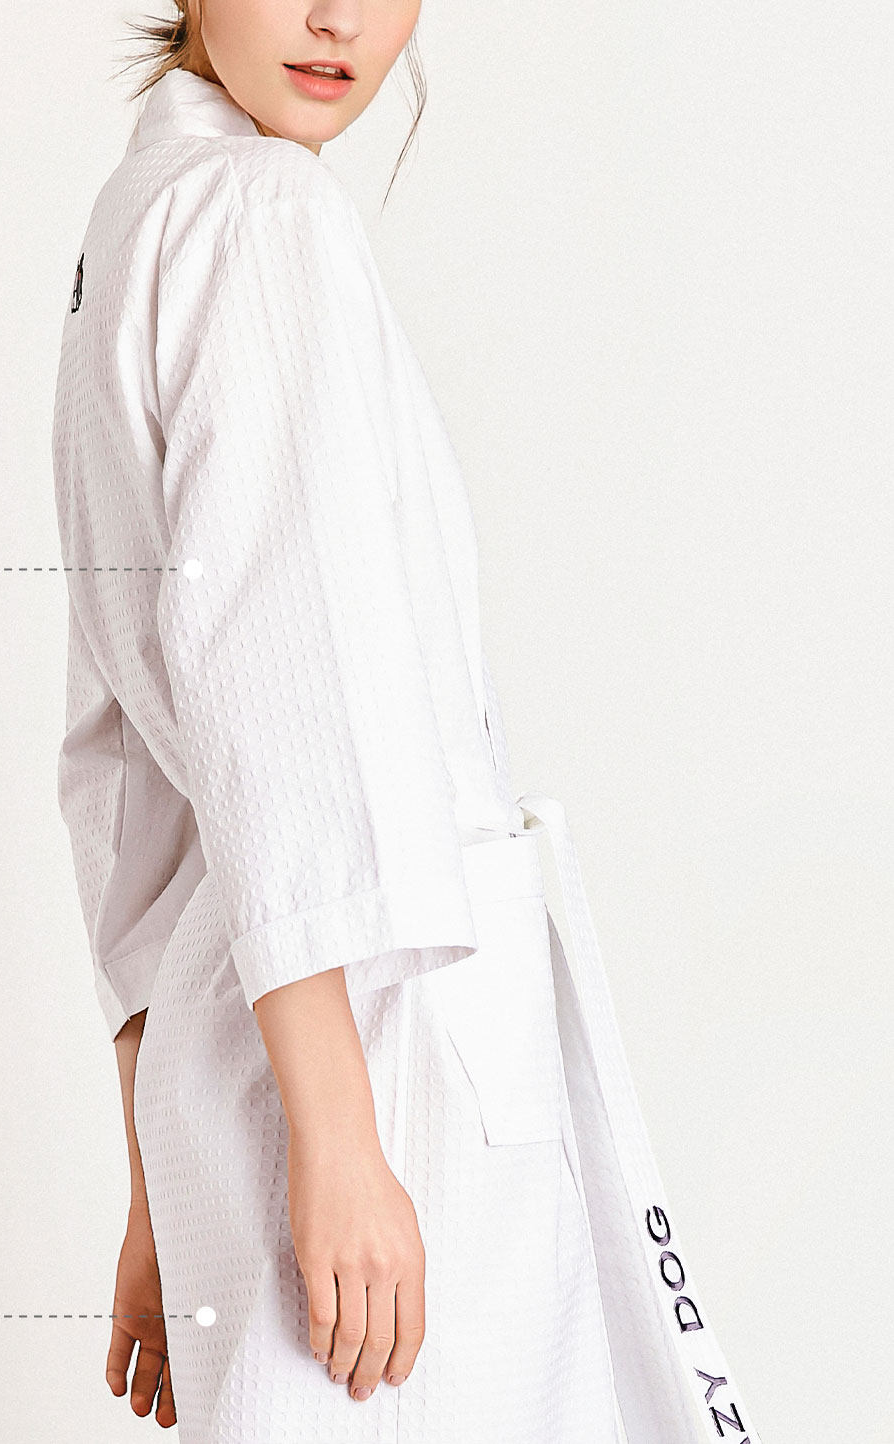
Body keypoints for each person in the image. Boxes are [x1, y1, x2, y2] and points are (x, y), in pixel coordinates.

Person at [50, 4, 756, 1441]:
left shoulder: (139, 214)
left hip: (239, 1055)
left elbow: (121, 763)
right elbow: (274, 682)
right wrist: (341, 1142)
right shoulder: (263, 212)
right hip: (374, 1054)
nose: (341, 18)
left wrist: (156, 1177)